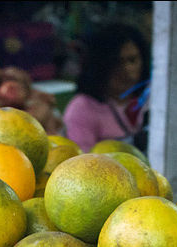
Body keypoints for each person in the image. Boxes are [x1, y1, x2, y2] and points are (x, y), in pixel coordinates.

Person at [63, 24, 151, 153]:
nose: (127, 70)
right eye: (117, 62)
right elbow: (82, 164)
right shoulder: (82, 109)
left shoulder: (151, 96)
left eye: (132, 60)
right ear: (100, 66)